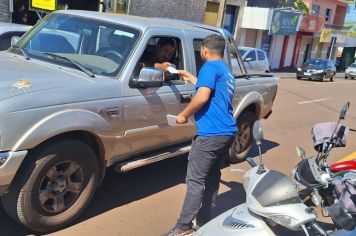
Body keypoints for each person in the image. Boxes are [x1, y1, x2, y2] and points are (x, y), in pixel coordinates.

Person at [163, 34, 237, 236]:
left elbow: (203, 96)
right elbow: (212, 92)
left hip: (211, 135)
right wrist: (189, 77)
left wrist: (183, 115)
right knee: (212, 177)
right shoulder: (225, 70)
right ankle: (203, 222)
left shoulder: (209, 67)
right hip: (226, 132)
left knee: (195, 182)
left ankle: (183, 227)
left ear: (204, 50)